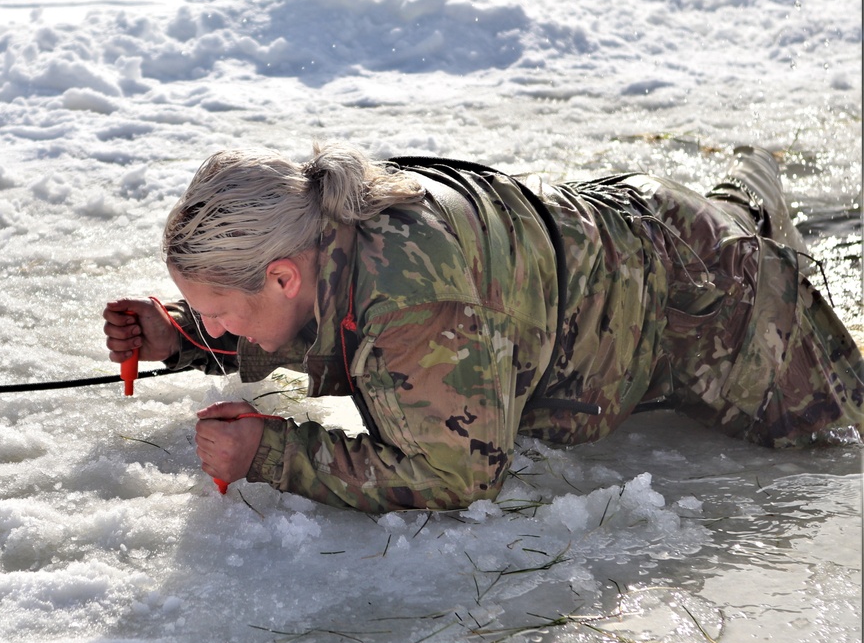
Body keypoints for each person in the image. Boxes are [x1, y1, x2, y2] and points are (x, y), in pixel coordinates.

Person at [103, 143, 864, 512]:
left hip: (710, 296)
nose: (212, 321)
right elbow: (308, 320)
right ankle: (753, 185)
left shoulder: (414, 305)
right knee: (734, 212)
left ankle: (761, 201)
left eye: (211, 308)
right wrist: (183, 335)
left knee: (843, 447)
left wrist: (269, 451)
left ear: (280, 275)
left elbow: (455, 473)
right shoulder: (316, 226)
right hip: (629, 234)